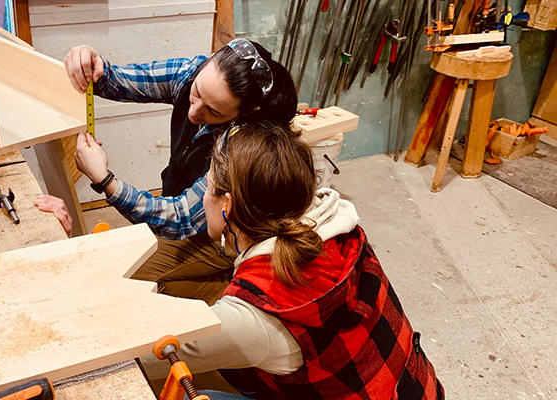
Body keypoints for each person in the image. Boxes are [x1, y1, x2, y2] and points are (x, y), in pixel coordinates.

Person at [140, 123, 444, 400]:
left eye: (207, 185)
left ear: (227, 205)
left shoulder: (257, 314)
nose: (203, 196)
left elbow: (147, 358)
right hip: (414, 388)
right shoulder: (337, 225)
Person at [65, 38, 298, 304]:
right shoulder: (194, 72)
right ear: (209, 61)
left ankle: (233, 290)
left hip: (225, 233)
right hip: (189, 212)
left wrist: (105, 181)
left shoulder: (242, 144)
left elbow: (180, 217)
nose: (193, 112)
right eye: (196, 93)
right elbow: (119, 80)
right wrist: (95, 67)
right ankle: (212, 278)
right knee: (125, 268)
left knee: (128, 281)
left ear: (244, 112)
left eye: (213, 111)